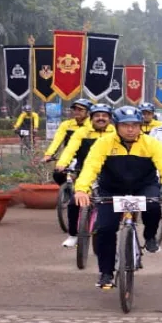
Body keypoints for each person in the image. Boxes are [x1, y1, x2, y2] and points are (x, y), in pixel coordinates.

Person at [73, 106, 162, 288]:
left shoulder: (152, 144)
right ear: (116, 126)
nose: (130, 129)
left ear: (140, 126)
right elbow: (91, 167)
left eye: (135, 125)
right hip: (112, 190)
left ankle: (150, 236)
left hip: (144, 186)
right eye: (125, 125)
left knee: (154, 206)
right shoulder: (103, 143)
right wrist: (82, 189)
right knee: (105, 229)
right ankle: (106, 273)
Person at [54, 104, 116, 247]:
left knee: (114, 204)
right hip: (86, 171)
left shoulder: (115, 133)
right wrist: (62, 163)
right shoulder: (81, 132)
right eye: (97, 116)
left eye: (104, 116)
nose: (101, 118)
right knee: (74, 203)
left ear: (110, 119)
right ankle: (73, 235)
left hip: (110, 174)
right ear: (91, 118)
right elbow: (70, 149)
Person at [43, 99, 92, 166]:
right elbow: (57, 141)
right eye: (75, 109)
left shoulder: (94, 126)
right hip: (69, 158)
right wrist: (49, 154)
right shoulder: (66, 125)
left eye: (80, 110)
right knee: (58, 174)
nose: (77, 112)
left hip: (90, 159)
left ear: (88, 112)